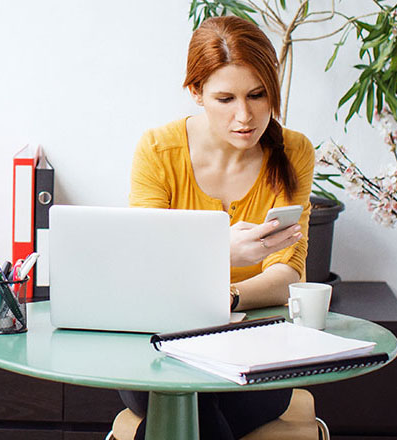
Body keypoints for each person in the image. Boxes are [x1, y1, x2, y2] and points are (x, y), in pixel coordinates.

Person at [120, 15, 315, 440]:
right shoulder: (158, 150)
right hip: (160, 344)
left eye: (257, 95)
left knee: (195, 412)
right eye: (225, 98)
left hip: (254, 346)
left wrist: (223, 297)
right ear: (196, 93)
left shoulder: (294, 151)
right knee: (191, 400)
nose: (244, 116)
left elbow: (286, 277)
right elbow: (144, 270)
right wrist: (220, 254)